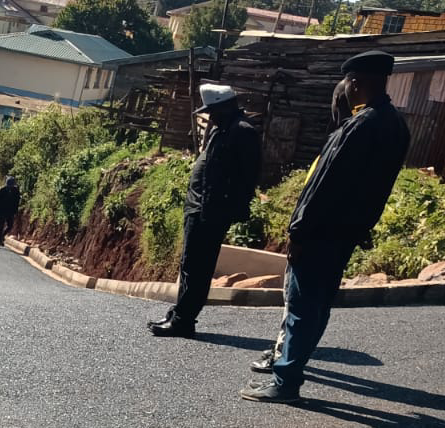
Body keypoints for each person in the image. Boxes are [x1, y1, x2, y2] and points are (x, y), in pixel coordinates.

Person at [240, 50, 409, 403]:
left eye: (346, 83)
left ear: (355, 82)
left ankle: (286, 381)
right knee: (318, 306)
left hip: (322, 231)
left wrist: (298, 231)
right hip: (346, 231)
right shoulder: (395, 125)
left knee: (302, 306)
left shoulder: (359, 126)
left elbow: (324, 185)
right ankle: (290, 367)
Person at [249, 74, 357, 373]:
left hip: (315, 237)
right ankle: (289, 355)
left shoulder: (343, 140)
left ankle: (284, 358)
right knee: (309, 304)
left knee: (298, 304)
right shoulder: (344, 140)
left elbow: (318, 195)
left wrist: (298, 232)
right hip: (330, 236)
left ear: (340, 104)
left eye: (335, 102)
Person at [148, 84, 261, 337]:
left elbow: (247, 177)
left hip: (212, 211)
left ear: (225, 106)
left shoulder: (242, 132)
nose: (210, 116)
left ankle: (184, 321)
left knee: (199, 267)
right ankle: (180, 313)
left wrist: (230, 208)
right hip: (198, 207)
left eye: (213, 110)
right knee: (189, 264)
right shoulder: (222, 129)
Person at [0, 176, 20, 249]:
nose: (10, 187)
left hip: (10, 211)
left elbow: (17, 202)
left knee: (10, 226)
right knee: (0, 227)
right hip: (1, 211)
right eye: (9, 185)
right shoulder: (2, 190)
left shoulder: (16, 191)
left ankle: (2, 236)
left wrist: (15, 211)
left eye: (11, 185)